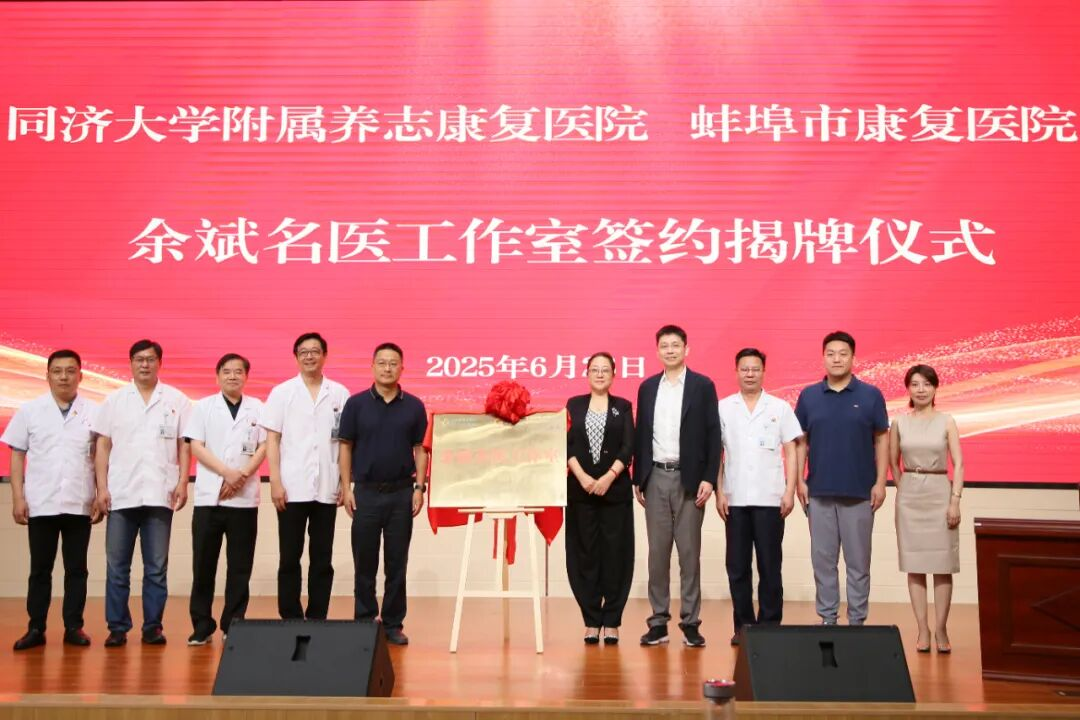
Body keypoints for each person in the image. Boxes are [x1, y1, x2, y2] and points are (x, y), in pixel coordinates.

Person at [94, 339, 192, 647]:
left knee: (156, 568)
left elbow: (184, 445)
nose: (145, 364)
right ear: (131, 363)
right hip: (121, 494)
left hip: (160, 494)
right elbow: (102, 446)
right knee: (117, 567)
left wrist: (183, 482)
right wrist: (101, 487)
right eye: (139, 359)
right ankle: (117, 627)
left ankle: (153, 627)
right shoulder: (114, 400)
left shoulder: (176, 400)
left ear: (160, 363)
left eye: (150, 359)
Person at [2, 349, 99, 650]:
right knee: (40, 570)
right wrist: (17, 497)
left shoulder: (95, 412)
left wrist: (99, 494)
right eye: (57, 371)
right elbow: (17, 456)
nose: (63, 377)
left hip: (79, 502)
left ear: (81, 375)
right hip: (41, 502)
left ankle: (74, 627)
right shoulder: (30, 410)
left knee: (77, 570)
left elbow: (101, 458)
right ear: (47, 376)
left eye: (70, 371)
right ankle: (36, 628)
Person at [634, 324, 721, 647]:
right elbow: (641, 433)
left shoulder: (702, 386)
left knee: (689, 554)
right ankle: (658, 622)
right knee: (657, 554)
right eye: (664, 346)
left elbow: (713, 434)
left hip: (690, 479)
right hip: (655, 476)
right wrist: (638, 477)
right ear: (657, 351)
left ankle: (691, 622)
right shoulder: (647, 388)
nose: (670, 350)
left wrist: (709, 478)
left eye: (675, 345)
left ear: (687, 349)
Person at [794, 331, 888, 626]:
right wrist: (798, 480)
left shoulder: (870, 395)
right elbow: (800, 441)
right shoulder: (809, 396)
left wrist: (881, 482)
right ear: (823, 357)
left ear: (853, 358)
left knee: (858, 563)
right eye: (831, 353)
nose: (837, 359)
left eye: (843, 353)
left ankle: (857, 620)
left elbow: (882, 438)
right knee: (823, 561)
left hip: (860, 492)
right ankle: (828, 618)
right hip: (819, 492)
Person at [338, 343, 428, 646]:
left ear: (402, 368)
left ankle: (392, 624)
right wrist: (346, 487)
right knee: (364, 562)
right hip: (365, 493)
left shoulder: (414, 406)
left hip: (401, 493)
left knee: (396, 563)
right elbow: (345, 447)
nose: (387, 368)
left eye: (393, 363)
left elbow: (421, 449)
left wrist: (419, 488)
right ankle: (364, 620)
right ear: (372, 366)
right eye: (382, 362)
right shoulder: (356, 404)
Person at [260, 332, 349, 621]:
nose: (309, 356)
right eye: (303, 352)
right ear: (296, 357)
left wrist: (344, 482)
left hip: (327, 486)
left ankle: (318, 616)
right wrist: (275, 481)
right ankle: (290, 616)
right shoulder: (282, 392)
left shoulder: (339, 393)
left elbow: (345, 443)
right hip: (291, 487)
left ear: (325, 355)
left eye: (315, 351)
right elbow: (272, 439)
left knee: (322, 558)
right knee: (289, 557)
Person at [716, 348, 802, 645]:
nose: (750, 374)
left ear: (764, 372)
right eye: (744, 369)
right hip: (735, 499)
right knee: (737, 567)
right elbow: (718, 454)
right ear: (736, 372)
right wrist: (719, 492)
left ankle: (769, 625)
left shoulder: (779, 407)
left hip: (771, 499)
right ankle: (743, 627)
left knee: (769, 565)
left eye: (755, 369)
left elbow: (791, 449)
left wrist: (790, 490)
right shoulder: (723, 407)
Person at [182, 353, 266, 645]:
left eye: (238, 372)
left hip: (244, 499)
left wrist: (242, 475)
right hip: (210, 498)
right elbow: (196, 446)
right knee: (203, 565)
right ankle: (201, 626)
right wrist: (226, 473)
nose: (233, 376)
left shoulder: (258, 408)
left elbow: (265, 446)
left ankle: (234, 623)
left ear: (246, 376)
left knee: (240, 566)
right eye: (227, 372)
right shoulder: (203, 407)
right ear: (217, 376)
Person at [890, 364, 964, 653]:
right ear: (908, 389)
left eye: (927, 384)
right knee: (915, 566)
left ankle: (941, 628)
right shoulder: (899, 422)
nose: (921, 390)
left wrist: (954, 499)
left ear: (935, 388)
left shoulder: (947, 421)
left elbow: (959, 463)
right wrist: (904, 488)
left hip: (939, 492)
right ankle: (923, 629)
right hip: (910, 496)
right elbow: (893, 461)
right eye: (915, 384)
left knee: (943, 566)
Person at [565, 351, 635, 645]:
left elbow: (628, 446)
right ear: (587, 374)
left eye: (605, 370)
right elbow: (565, 444)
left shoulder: (623, 406)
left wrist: (609, 477)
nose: (600, 374)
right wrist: (582, 477)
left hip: (614, 493)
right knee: (584, 556)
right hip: (580, 492)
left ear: (614, 375)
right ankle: (592, 620)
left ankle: (613, 621)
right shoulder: (573, 405)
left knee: (616, 556)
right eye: (595, 369)